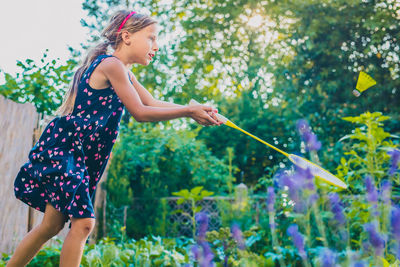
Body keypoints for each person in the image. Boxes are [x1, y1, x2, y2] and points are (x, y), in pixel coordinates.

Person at [7, 10, 221, 267]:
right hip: (67, 150)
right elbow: (141, 112)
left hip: (79, 155)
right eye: (151, 38)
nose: (157, 45)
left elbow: (151, 102)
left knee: (51, 225)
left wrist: (194, 110)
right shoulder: (111, 65)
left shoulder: (124, 72)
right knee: (84, 223)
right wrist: (188, 111)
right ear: (127, 36)